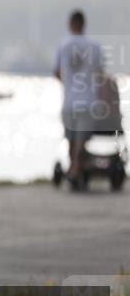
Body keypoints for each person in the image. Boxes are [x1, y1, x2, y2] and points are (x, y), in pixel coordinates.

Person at [53, 10, 105, 190]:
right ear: (84, 24)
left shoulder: (63, 45)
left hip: (69, 102)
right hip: (88, 101)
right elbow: (100, 73)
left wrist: (69, 83)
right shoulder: (95, 47)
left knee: (71, 140)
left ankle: (74, 170)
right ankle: (75, 170)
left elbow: (57, 72)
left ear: (71, 24)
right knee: (80, 141)